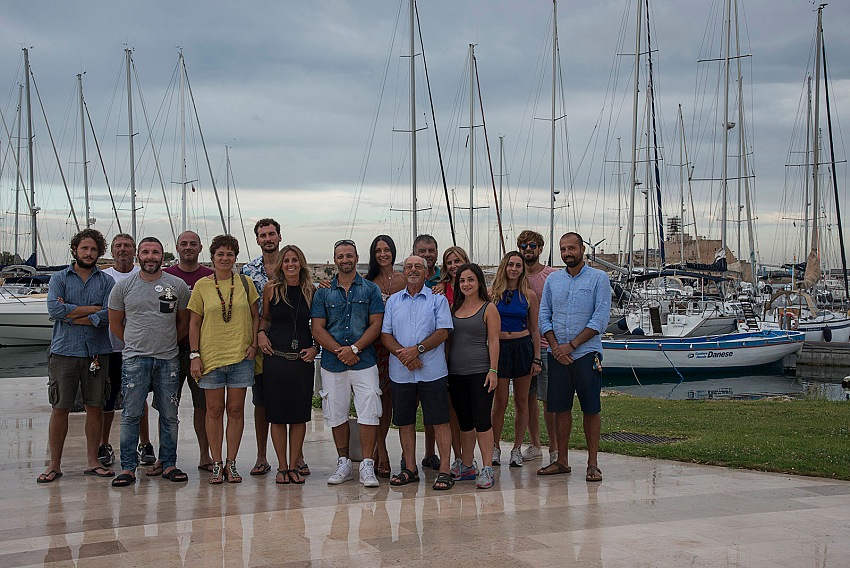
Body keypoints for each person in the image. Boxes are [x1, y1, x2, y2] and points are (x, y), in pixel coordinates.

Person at [108, 237, 192, 487]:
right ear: (138, 256)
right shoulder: (123, 287)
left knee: (169, 415)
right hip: (134, 360)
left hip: (168, 359)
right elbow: (115, 324)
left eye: (155, 252)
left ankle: (169, 463)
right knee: (131, 415)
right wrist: (137, 344)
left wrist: (165, 343)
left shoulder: (176, 286)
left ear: (162, 256)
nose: (150, 257)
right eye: (146, 252)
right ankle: (128, 468)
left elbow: (183, 323)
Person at [38, 229, 115, 483]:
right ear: (75, 250)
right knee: (60, 407)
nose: (89, 253)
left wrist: (74, 315)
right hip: (64, 351)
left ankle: (93, 461)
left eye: (93, 249)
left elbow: (108, 315)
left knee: (95, 407)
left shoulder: (106, 282)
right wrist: (91, 313)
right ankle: (54, 465)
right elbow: (54, 308)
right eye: (84, 248)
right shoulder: (59, 278)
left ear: (99, 252)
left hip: (96, 353)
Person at [537, 232, 611, 482]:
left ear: (582, 250)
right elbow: (543, 316)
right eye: (563, 249)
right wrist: (557, 347)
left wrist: (572, 345)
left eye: (571, 248)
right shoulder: (553, 280)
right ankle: (562, 460)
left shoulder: (599, 279)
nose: (567, 253)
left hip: (586, 354)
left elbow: (600, 319)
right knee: (559, 409)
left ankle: (593, 463)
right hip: (557, 355)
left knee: (591, 408)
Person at [311, 239, 384, 487]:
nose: (345, 260)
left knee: (369, 411)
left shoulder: (370, 290)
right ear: (334, 260)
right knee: (336, 413)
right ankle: (343, 462)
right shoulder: (323, 293)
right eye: (340, 256)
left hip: (364, 361)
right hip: (333, 363)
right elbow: (317, 327)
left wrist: (354, 348)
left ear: (356, 257)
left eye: (349, 255)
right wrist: (338, 350)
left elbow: (376, 324)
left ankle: (366, 464)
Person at [189, 234, 260, 484]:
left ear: (235, 258)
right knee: (214, 410)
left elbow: (255, 315)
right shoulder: (202, 286)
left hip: (241, 356)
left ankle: (232, 462)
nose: (225, 258)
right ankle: (216, 461)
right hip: (211, 357)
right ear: (212, 257)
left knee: (236, 410)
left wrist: (253, 343)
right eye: (220, 253)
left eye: (230, 254)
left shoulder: (245, 283)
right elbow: (194, 322)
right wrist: (194, 354)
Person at [381, 256, 454, 490]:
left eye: (418, 267)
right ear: (403, 272)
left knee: (440, 421)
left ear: (426, 272)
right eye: (409, 267)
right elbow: (385, 335)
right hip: (401, 372)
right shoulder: (393, 301)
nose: (413, 271)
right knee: (405, 421)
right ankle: (410, 468)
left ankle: (444, 470)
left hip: (432, 371)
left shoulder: (437, 300)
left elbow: (443, 331)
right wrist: (405, 356)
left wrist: (417, 350)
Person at [257, 245, 318, 485]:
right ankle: (282, 466)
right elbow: (267, 318)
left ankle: (294, 465)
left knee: (299, 416)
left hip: (302, 361)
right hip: (277, 360)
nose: (290, 264)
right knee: (278, 416)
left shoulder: (311, 291)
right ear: (281, 264)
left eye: (295, 260)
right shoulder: (271, 289)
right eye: (286, 260)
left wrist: (316, 348)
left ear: (301, 263)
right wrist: (261, 333)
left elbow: (319, 325)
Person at [164, 230, 214, 472]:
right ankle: (166, 458)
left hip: (201, 353)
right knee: (167, 406)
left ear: (200, 248)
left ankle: (205, 455)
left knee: (202, 407)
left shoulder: (211, 277)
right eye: (183, 244)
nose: (188, 247)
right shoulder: (166, 277)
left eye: (193, 244)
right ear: (177, 247)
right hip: (170, 351)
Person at [447, 263, 500, 489]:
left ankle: (487, 467)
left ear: (479, 282)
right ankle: (467, 465)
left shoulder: (488, 309)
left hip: (481, 373)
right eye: (462, 281)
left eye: (470, 280)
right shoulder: (453, 309)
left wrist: (493, 370)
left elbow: (494, 341)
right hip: (456, 373)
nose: (466, 284)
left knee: (482, 421)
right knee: (465, 422)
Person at [489, 251, 542, 468]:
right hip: (500, 348)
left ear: (522, 269)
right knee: (499, 402)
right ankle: (494, 447)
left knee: (522, 402)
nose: (514, 269)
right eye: (510, 264)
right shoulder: (492, 293)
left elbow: (535, 329)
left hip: (522, 347)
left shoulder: (529, 295)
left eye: (518, 265)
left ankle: (517, 449)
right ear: (504, 267)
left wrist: (537, 358)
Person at [364, 235, 405, 478]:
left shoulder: (403, 279)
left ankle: (386, 448)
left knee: (391, 402)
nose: (383, 254)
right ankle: (381, 452)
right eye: (378, 250)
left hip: (398, 346)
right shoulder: (368, 282)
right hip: (374, 347)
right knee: (376, 401)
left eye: (386, 249)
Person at [98, 233, 140, 468]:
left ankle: (145, 445)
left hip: (138, 350)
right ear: (112, 251)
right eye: (118, 246)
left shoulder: (142, 275)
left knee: (139, 398)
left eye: (127, 246)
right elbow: (103, 311)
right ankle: (104, 443)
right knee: (108, 399)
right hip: (111, 348)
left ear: (134, 250)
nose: (123, 250)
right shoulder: (104, 277)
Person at [517, 230, 558, 464]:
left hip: (545, 345)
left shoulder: (550, 276)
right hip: (522, 346)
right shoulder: (516, 275)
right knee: (527, 398)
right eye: (523, 246)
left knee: (548, 399)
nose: (527, 249)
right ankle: (535, 445)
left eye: (532, 245)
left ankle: (554, 449)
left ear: (540, 248)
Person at [430, 245, 470, 475]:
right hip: (446, 354)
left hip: (470, 352)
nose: (454, 266)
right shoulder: (440, 290)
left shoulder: (473, 286)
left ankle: (469, 458)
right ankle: (456, 457)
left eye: (457, 261)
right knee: (450, 410)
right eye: (449, 263)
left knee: (470, 410)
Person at [412, 233, 441, 470]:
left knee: (435, 410)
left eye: (431, 250)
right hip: (406, 358)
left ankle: (432, 452)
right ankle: (408, 455)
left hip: (438, 354)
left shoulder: (446, 279)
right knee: (407, 409)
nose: (427, 255)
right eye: (422, 251)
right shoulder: (408, 278)